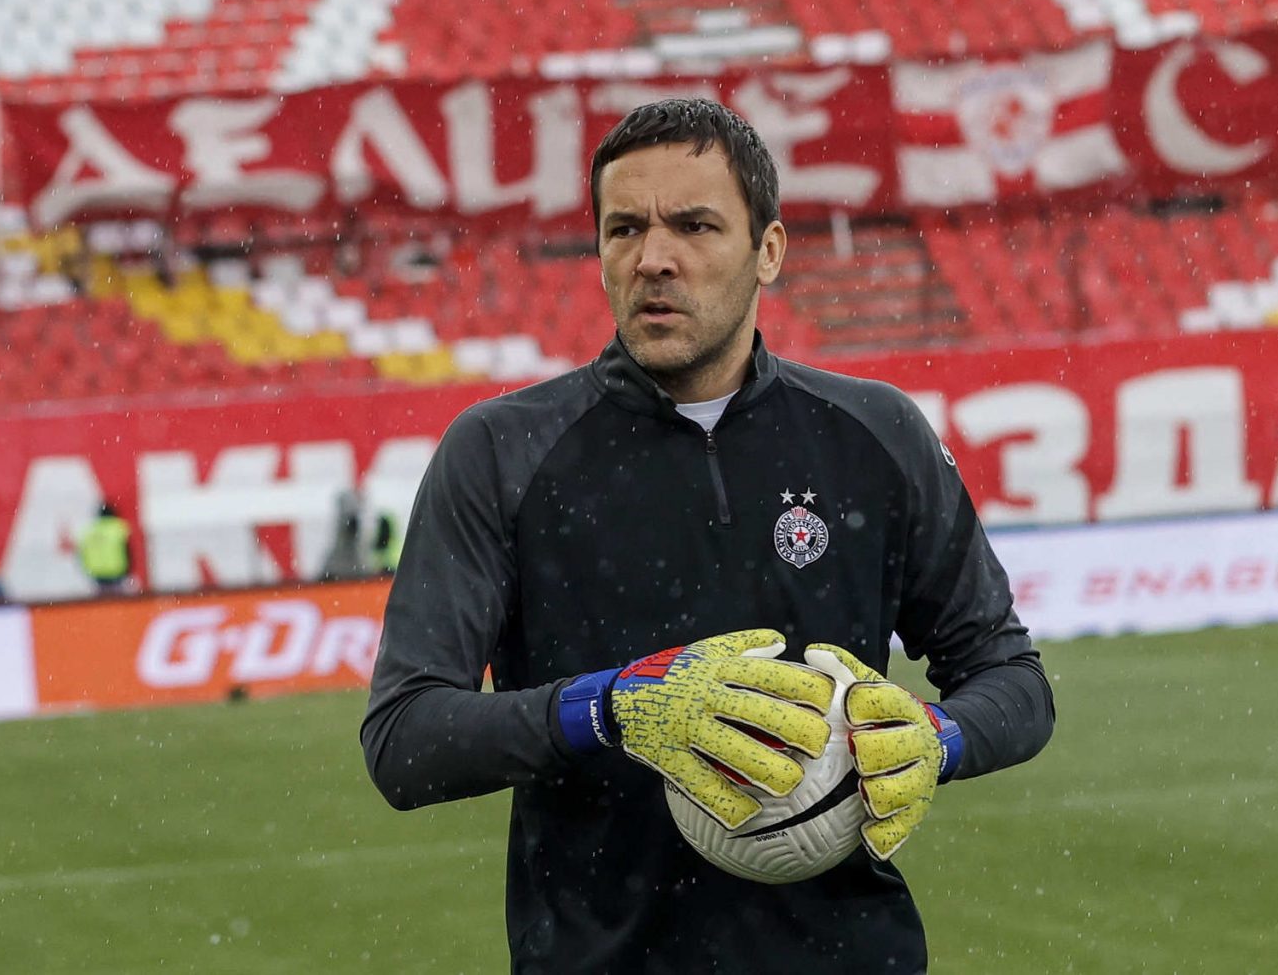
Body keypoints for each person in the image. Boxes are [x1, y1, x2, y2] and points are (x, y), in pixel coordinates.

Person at [361, 98, 1054, 973]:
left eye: (694, 224)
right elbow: (405, 739)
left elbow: (1013, 678)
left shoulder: (875, 433)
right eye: (624, 229)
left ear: (768, 249)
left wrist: (937, 739)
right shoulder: (502, 451)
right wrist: (607, 708)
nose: (654, 258)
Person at [77, 501, 135, 597]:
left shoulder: (88, 531)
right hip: (116, 571)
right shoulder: (118, 527)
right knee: (119, 603)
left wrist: (87, 569)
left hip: (96, 573)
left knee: (101, 604)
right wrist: (129, 569)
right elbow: (127, 550)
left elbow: (82, 553)